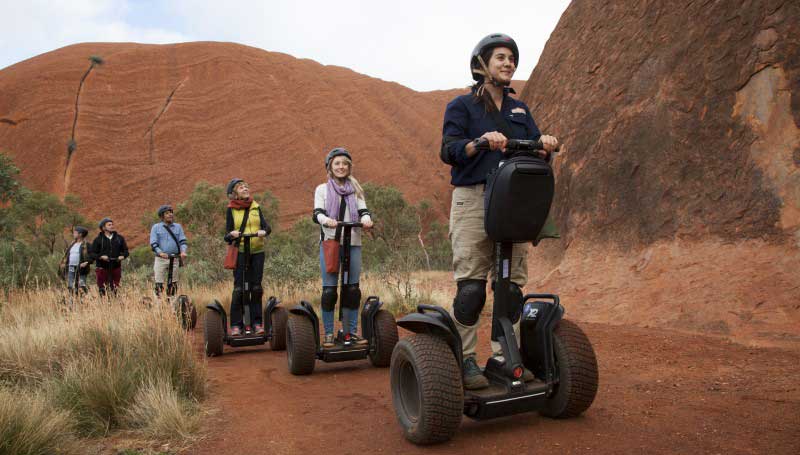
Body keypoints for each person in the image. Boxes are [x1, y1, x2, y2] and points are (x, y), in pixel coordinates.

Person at [440, 33, 560, 390]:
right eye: (501, 58)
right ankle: (464, 360)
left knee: (510, 287)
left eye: (511, 58)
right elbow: (448, 150)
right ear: (482, 65)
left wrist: (546, 146)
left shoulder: (520, 111)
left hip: (512, 199)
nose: (508, 63)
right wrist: (478, 143)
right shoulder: (461, 106)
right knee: (472, 288)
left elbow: (536, 146)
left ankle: (503, 356)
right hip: (474, 197)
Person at [311, 148, 373, 348]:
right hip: (331, 242)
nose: (341, 167)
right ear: (330, 166)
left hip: (353, 242)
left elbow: (364, 211)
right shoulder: (322, 189)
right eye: (337, 163)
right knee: (329, 290)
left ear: (349, 167)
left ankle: (350, 332)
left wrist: (366, 219)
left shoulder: (356, 189)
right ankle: (328, 333)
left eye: (344, 163)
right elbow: (317, 213)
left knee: (352, 289)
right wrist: (326, 220)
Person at [224, 179, 270, 336]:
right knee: (239, 288)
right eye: (241, 187)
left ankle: (257, 323)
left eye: (246, 186)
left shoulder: (256, 206)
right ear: (234, 193)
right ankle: (237, 325)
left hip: (257, 251)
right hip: (241, 251)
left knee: (256, 288)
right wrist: (232, 234)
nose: (245, 188)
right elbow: (227, 235)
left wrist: (264, 231)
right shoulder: (231, 210)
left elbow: (266, 227)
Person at [149, 204, 188, 299]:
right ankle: (158, 305)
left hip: (174, 258)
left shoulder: (178, 227)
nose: (170, 214)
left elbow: (183, 241)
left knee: (173, 283)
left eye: (171, 212)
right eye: (167, 213)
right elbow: (153, 243)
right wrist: (160, 252)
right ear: (162, 216)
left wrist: (183, 251)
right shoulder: (156, 227)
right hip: (160, 259)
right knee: (159, 283)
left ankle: (172, 302)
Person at [90, 217, 129, 296]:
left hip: (116, 267)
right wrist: (101, 257)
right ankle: (104, 306)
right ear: (103, 227)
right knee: (102, 289)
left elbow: (126, 251)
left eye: (112, 224)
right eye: (109, 225)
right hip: (102, 268)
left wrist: (123, 256)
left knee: (115, 288)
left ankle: (114, 306)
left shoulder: (119, 238)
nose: (112, 226)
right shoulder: (98, 240)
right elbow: (92, 253)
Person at [59, 226, 90, 295]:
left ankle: (83, 301)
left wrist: (87, 262)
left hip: (81, 268)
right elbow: (67, 255)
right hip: (71, 267)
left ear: (80, 234)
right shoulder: (72, 244)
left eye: (75, 233)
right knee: (70, 285)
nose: (73, 234)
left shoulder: (86, 245)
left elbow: (92, 257)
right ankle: (72, 302)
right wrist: (63, 264)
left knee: (81, 285)